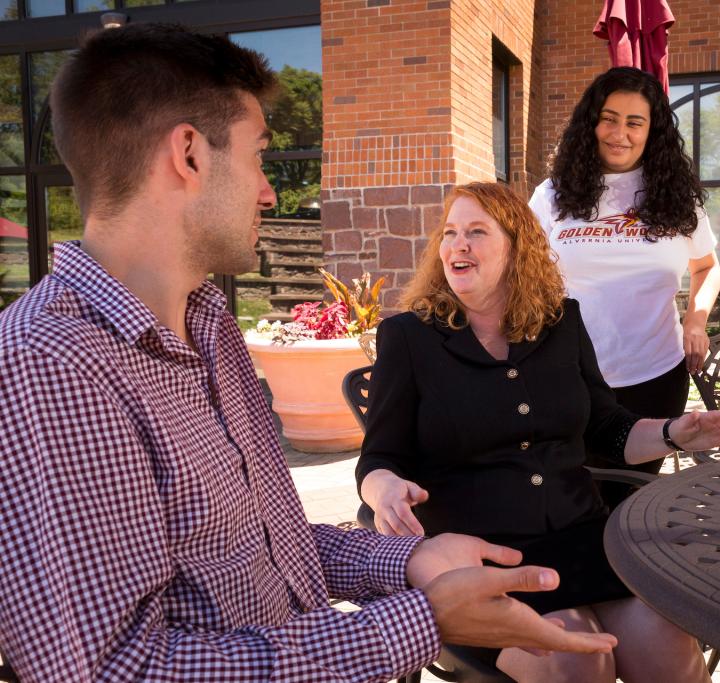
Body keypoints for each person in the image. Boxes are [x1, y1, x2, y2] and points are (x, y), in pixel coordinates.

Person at [0, 25, 619, 682]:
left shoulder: (208, 324)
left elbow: (271, 545)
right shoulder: (51, 363)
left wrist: (410, 561)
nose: (268, 191)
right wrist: (422, 618)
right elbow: (108, 671)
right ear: (187, 154)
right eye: (258, 157)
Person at [357, 182, 720, 682]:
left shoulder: (562, 322)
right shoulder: (409, 338)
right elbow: (377, 459)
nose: (458, 244)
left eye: (476, 232)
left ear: (517, 245)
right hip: (478, 558)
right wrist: (385, 489)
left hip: (582, 539)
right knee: (576, 660)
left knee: (670, 649)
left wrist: (677, 432)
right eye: (450, 233)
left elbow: (608, 430)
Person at [529, 66, 720, 480]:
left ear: (653, 131)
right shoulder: (551, 196)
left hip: (654, 373)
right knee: (573, 491)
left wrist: (696, 319)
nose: (620, 133)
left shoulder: (676, 198)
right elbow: (522, 275)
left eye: (635, 122)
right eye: (609, 118)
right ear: (591, 122)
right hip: (568, 375)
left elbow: (706, 267)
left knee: (632, 496)